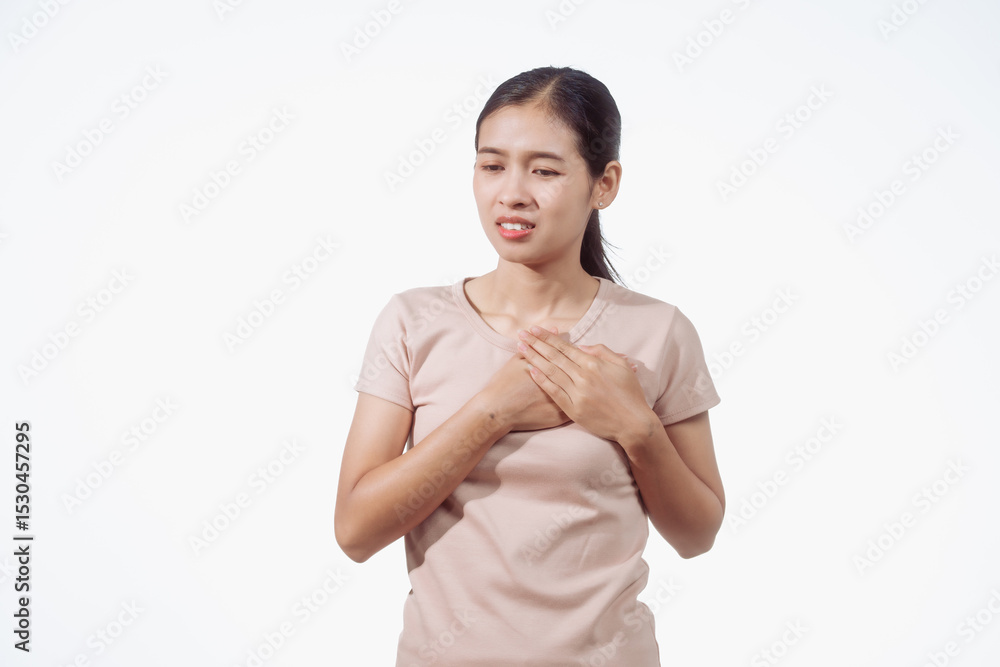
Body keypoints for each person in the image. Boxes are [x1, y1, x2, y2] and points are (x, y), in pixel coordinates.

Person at [336, 65, 725, 666]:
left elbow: (697, 535)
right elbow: (356, 532)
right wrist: (492, 412)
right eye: (492, 166)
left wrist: (636, 427)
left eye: (544, 171)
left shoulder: (659, 331)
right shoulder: (413, 322)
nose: (512, 193)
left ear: (604, 183)